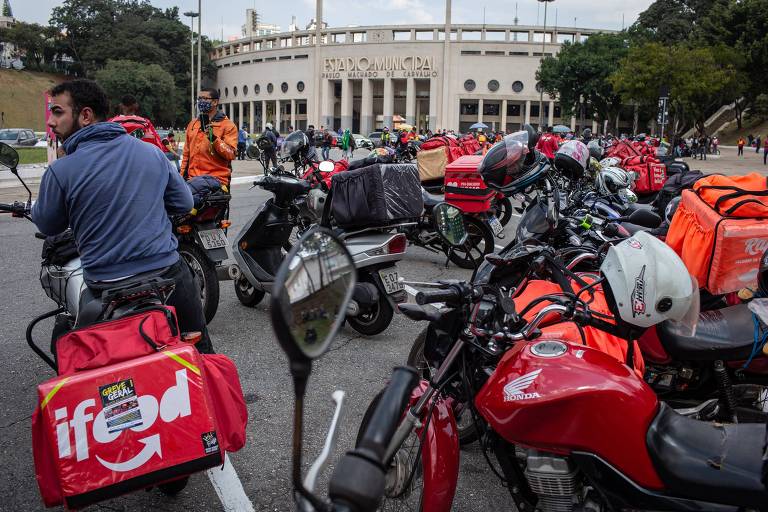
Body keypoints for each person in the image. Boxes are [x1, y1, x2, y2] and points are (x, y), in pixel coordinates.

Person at [33, 78, 213, 353]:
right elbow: (184, 202)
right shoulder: (152, 153)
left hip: (105, 285)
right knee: (202, 358)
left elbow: (48, 223)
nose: (51, 122)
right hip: (168, 276)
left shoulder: (61, 170)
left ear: (85, 115)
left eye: (57, 111)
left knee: (85, 365)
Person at [180, 88, 237, 185]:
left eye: (205, 98)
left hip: (216, 180)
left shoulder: (227, 125)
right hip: (192, 179)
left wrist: (213, 138)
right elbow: (186, 155)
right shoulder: (193, 124)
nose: (201, 102)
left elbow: (231, 153)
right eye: (199, 99)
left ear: (215, 102)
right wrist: (181, 178)